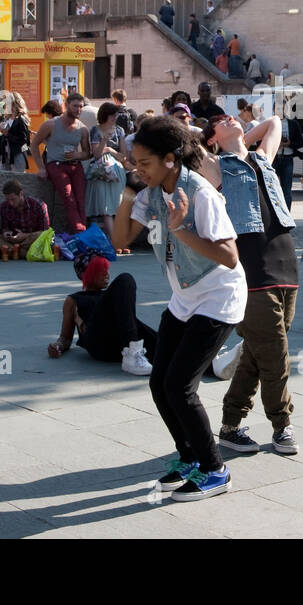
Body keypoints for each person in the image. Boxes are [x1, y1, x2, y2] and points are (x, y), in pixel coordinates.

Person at [110, 116, 246, 501]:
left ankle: (215, 468)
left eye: (145, 163)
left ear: (170, 159)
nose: (138, 169)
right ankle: (188, 457)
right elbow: (120, 240)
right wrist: (126, 193)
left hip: (219, 297)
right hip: (185, 297)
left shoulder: (200, 193)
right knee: (159, 382)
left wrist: (182, 229)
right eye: (134, 162)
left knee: (180, 386)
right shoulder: (148, 193)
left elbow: (230, 256)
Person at [198, 112, 300, 457]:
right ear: (211, 139)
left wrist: (238, 136)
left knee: (258, 352)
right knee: (274, 353)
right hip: (251, 269)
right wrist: (213, 139)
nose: (228, 117)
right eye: (220, 121)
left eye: (230, 116)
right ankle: (281, 426)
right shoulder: (214, 166)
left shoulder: (261, 158)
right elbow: (183, 145)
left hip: (285, 263)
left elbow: (274, 122)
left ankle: (230, 425)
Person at [48, 253, 155, 377]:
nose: (106, 274)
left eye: (106, 269)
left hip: (119, 343)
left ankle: (135, 351)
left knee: (167, 343)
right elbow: (66, 338)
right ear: (86, 275)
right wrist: (58, 346)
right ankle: (132, 352)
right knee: (125, 279)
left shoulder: (112, 295)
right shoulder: (74, 300)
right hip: (99, 342)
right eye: (100, 270)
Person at [33, 92, 90, 233]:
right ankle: (80, 232)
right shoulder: (51, 124)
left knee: (81, 201)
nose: (78, 110)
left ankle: (84, 234)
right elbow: (34, 145)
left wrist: (78, 154)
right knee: (69, 199)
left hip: (75, 166)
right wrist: (41, 167)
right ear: (66, 105)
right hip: (56, 165)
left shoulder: (83, 129)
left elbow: (87, 153)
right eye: (75, 106)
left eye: (81, 107)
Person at [85, 102, 128, 240]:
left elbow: (124, 155)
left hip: (116, 171)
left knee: (117, 206)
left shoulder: (120, 130)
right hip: (100, 171)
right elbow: (96, 154)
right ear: (105, 115)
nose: (115, 117)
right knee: (106, 208)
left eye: (116, 115)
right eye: (112, 115)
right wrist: (106, 144)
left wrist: (112, 151)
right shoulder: (95, 130)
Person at [0, 180, 51, 260]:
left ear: (21, 194)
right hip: (13, 241)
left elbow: (45, 232)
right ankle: (21, 253)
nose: (10, 203)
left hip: (30, 241)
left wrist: (24, 236)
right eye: (8, 200)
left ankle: (14, 252)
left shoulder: (38, 205)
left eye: (13, 199)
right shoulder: (4, 206)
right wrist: (6, 233)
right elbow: (5, 228)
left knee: (41, 236)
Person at [0, 90, 32, 172]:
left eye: (8, 103)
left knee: (17, 180)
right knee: (0, 178)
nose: (6, 105)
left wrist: (7, 134)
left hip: (17, 154)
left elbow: (24, 140)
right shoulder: (7, 118)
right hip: (5, 154)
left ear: (15, 104)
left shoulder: (21, 119)